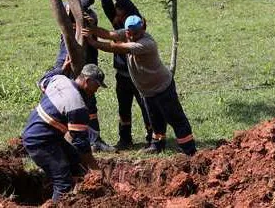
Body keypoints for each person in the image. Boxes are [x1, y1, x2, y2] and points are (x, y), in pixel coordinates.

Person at [83, 15, 197, 155]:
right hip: (147, 91)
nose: (131, 37)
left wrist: (93, 43)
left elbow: (116, 48)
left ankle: (189, 149)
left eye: (135, 33)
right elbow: (108, 34)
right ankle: (157, 145)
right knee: (155, 120)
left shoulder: (146, 44)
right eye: (129, 34)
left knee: (175, 118)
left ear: (142, 30)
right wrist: (91, 28)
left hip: (162, 87)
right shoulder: (127, 34)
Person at [38, 0, 115, 153]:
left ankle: (94, 140)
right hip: (67, 58)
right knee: (59, 95)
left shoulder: (90, 15)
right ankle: (53, 136)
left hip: (86, 59)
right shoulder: (68, 14)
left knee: (89, 100)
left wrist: (90, 24)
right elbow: (70, 5)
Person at [22, 64, 106, 203]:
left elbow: (44, 80)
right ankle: (59, 202)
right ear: (87, 81)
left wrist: (62, 68)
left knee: (75, 162)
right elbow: (81, 144)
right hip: (40, 142)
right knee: (63, 182)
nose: (96, 90)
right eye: (96, 86)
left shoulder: (59, 79)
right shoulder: (77, 105)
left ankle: (80, 198)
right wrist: (95, 169)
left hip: (44, 134)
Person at [99, 0, 154, 150]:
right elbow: (107, 6)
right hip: (122, 75)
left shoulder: (135, 24)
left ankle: (152, 137)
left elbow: (127, 4)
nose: (115, 13)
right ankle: (125, 138)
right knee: (124, 107)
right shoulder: (118, 26)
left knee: (145, 106)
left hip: (138, 76)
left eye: (118, 11)